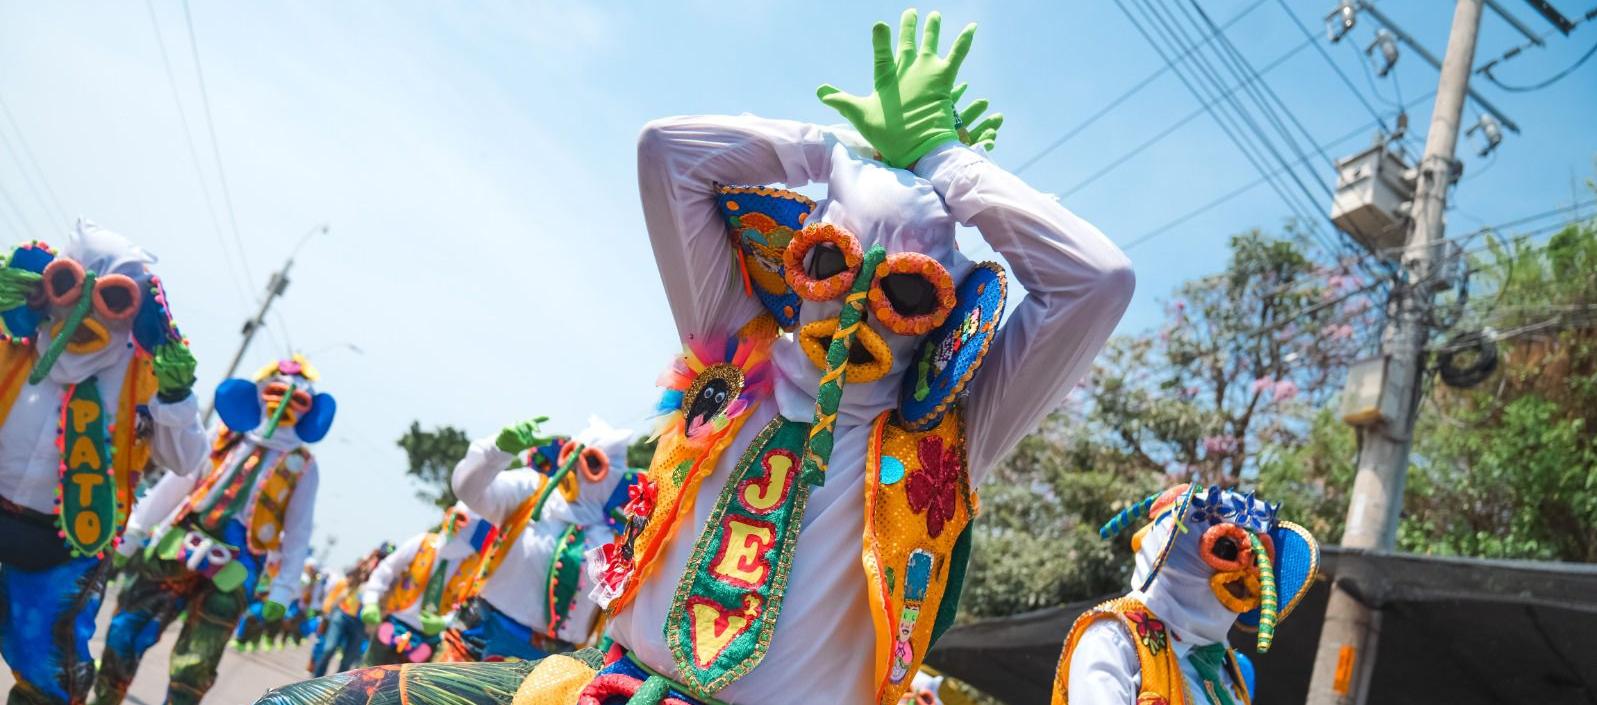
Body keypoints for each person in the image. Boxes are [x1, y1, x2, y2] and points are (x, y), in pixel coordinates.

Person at [259, 8, 1131, 705]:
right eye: (830, 262)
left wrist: (949, 166)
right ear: (795, 256)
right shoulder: (733, 350)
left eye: (903, 289)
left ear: (948, 312)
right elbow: (666, 153)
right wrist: (831, 151)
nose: (854, 304)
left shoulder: (956, 430)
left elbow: (1098, 281)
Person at [0, 220, 207, 705]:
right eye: (69, 284)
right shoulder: (15, 343)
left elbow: (187, 459)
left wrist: (175, 390)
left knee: (49, 675)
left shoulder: (144, 375)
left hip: (67, 544)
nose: (86, 308)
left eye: (112, 298)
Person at [92, 356, 334, 705]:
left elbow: (299, 530)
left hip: (240, 563)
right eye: (276, 392)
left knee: (197, 662)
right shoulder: (224, 433)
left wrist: (284, 589)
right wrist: (135, 530)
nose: (283, 404)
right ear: (259, 391)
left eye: (297, 400)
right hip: (180, 540)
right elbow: (179, 481)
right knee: (126, 629)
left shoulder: (303, 465)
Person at [1051, 483, 1320, 704]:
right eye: (1227, 550)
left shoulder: (1229, 669)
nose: (1245, 575)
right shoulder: (1113, 639)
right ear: (1178, 552)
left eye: (1259, 563)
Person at [438, 416, 640, 662]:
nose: (578, 466)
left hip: (549, 663)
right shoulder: (531, 489)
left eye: (593, 462)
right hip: (481, 636)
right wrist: (496, 451)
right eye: (576, 455)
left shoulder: (616, 539)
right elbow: (468, 490)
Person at [357, 504, 494, 665]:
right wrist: (371, 600)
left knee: (403, 681)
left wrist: (445, 622)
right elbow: (387, 569)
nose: (454, 525)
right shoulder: (423, 542)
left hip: (427, 639)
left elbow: (468, 605)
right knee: (367, 674)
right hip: (393, 622)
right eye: (455, 518)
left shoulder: (475, 565)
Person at [309, 543, 391, 676]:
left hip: (361, 622)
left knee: (347, 661)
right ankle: (316, 680)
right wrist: (366, 563)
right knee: (329, 648)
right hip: (343, 612)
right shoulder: (364, 567)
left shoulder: (388, 578)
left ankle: (337, 688)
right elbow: (349, 576)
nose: (381, 562)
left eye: (386, 559)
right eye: (380, 557)